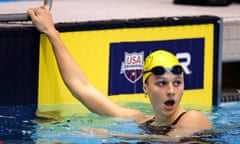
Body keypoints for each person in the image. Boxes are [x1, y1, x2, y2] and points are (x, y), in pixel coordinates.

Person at [27, 6, 212, 138]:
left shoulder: (193, 118)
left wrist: (114, 135)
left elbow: (172, 140)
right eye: (161, 83)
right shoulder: (142, 120)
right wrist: (51, 32)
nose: (171, 90)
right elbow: (82, 87)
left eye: (177, 82)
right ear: (145, 87)